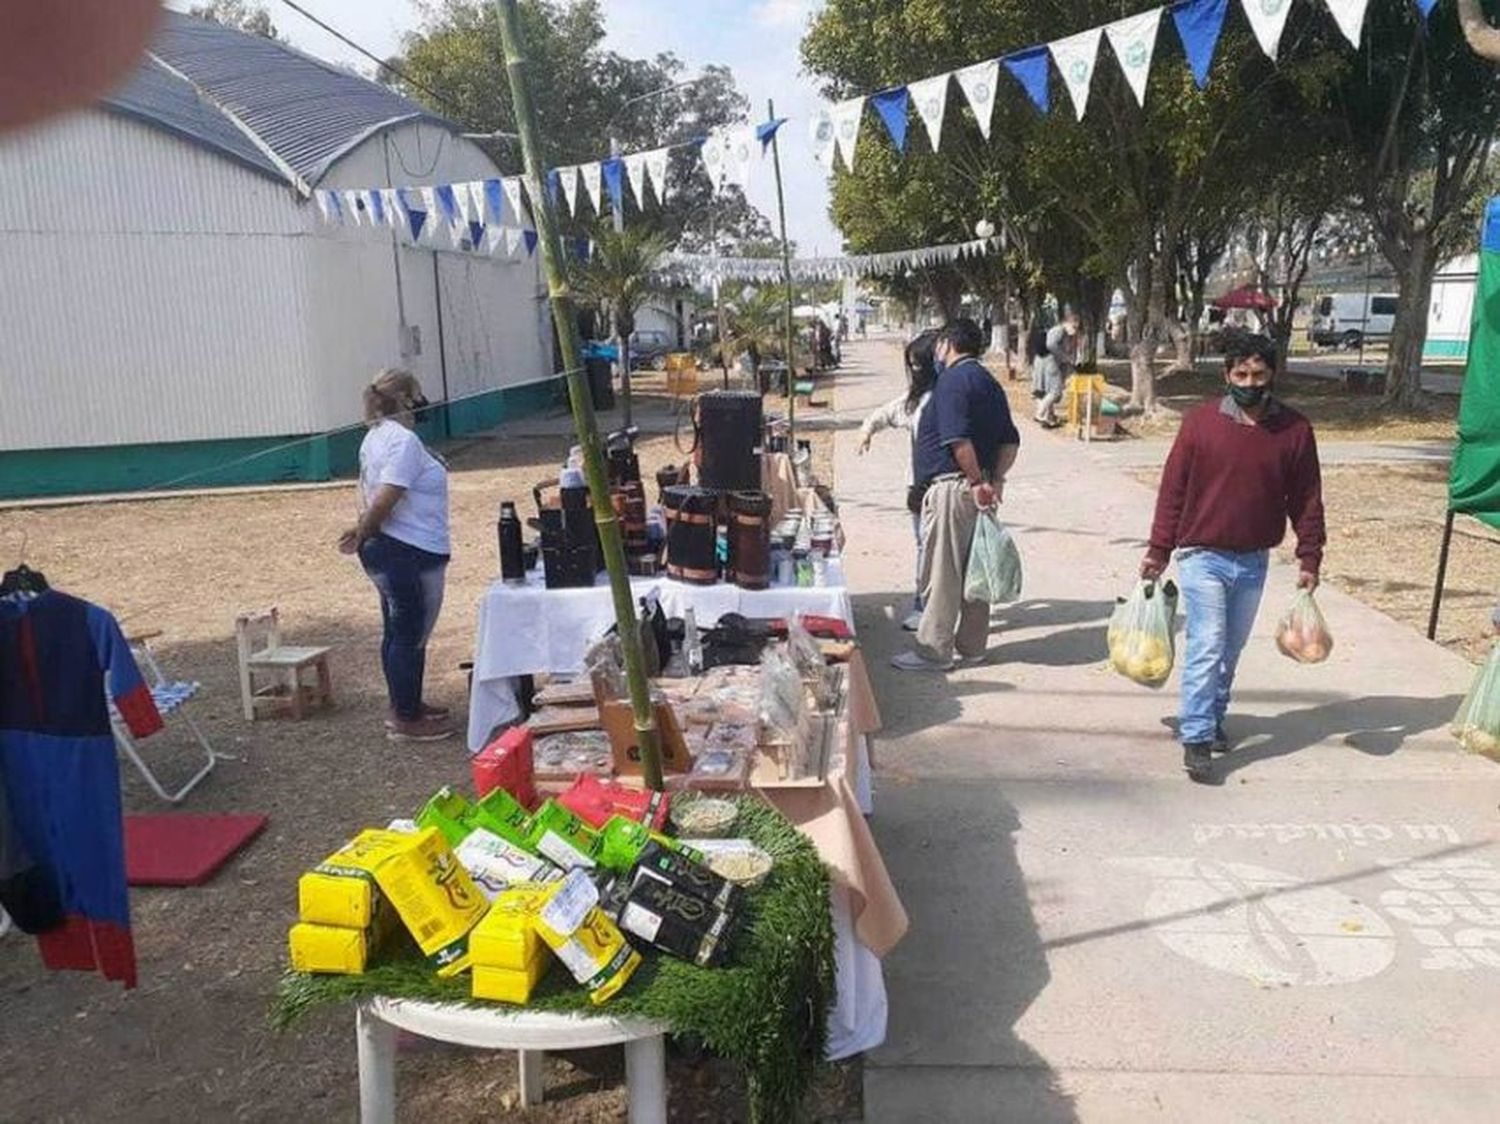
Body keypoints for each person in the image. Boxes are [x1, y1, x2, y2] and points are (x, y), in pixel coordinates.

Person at [1141, 334, 1326, 783]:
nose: (1250, 382)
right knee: (1206, 642)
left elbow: (1306, 498)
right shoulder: (1200, 424)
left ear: (1272, 376)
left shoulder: (1294, 430)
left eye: (1259, 375)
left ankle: (1212, 715)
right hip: (1202, 555)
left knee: (1229, 649)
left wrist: (1309, 556)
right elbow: (1173, 492)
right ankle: (1198, 737)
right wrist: (1158, 550)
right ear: (1226, 375)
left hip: (1253, 560)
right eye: (1241, 374)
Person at [894, 318, 1021, 672]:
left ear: (948, 343)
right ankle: (972, 646)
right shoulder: (989, 382)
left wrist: (977, 479)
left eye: (938, 344)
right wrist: (994, 481)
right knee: (974, 572)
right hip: (977, 490)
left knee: (943, 572)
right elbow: (1010, 441)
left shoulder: (952, 381)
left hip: (953, 487)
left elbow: (958, 440)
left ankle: (933, 651)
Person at [339, 369, 455, 742]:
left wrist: (363, 529)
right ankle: (406, 718)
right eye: (418, 396)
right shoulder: (401, 440)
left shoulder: (375, 437)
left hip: (395, 548)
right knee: (410, 633)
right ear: (406, 399)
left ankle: (407, 703)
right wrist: (362, 531)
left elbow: (371, 492)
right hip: (408, 550)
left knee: (397, 631)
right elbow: (387, 496)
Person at [858, 329, 941, 631]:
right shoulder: (914, 400)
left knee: (944, 552)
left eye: (920, 364)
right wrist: (867, 430)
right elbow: (886, 413)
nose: (916, 371)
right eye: (912, 365)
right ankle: (923, 606)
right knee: (924, 547)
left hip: (946, 487)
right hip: (918, 487)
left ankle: (943, 609)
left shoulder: (948, 395)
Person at [1033, 310, 1080, 427]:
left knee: (1048, 391)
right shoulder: (1059, 330)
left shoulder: (1061, 332)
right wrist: (1064, 356)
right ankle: (1040, 414)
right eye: (1074, 326)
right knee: (1055, 391)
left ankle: (1048, 417)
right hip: (1051, 363)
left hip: (1047, 362)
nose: (1075, 329)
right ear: (1068, 322)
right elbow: (1051, 344)